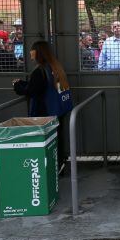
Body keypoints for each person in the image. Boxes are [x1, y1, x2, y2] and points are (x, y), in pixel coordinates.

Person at [13, 40, 73, 172]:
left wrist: (17, 86)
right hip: (58, 109)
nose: (30, 52)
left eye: (32, 49)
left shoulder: (39, 71)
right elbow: (40, 85)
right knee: (57, 138)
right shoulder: (55, 67)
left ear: (38, 52)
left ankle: (52, 168)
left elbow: (32, 91)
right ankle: (60, 164)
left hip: (44, 112)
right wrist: (24, 83)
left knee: (46, 141)